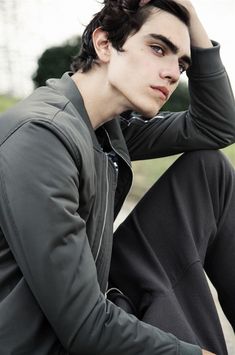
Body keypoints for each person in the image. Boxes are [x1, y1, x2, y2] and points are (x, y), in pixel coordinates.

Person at [0, 0, 234, 354]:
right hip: (52, 340)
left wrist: (191, 16)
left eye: (182, 63)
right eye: (158, 49)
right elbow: (84, 326)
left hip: (97, 305)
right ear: (105, 43)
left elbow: (216, 126)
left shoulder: (107, 129)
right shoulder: (41, 135)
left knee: (208, 169)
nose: (173, 72)